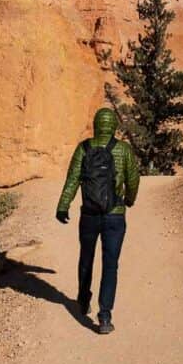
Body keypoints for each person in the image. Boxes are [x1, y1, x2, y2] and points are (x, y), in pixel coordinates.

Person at [55, 107, 141, 334]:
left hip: (89, 215)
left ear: (96, 125)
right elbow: (133, 178)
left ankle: (83, 298)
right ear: (113, 126)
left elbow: (73, 179)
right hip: (115, 215)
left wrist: (63, 205)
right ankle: (104, 317)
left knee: (86, 257)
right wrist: (129, 200)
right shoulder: (123, 149)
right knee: (110, 264)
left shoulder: (84, 148)